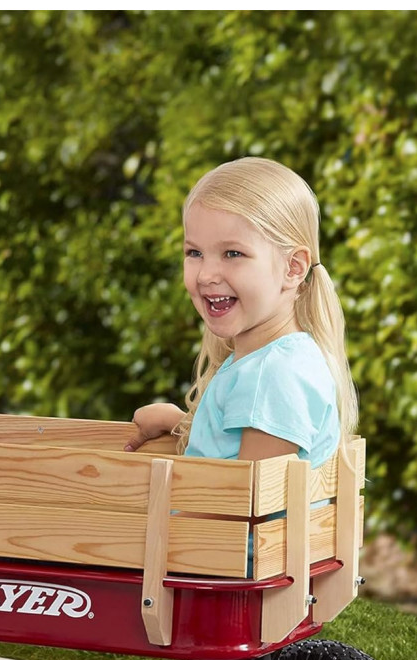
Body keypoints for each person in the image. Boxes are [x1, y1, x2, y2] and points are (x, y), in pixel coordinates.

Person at [124, 157, 357, 468]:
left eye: (233, 253)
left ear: (293, 267)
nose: (206, 275)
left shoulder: (274, 375)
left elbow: (248, 495)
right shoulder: (269, 360)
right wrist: (184, 426)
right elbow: (233, 452)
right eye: (195, 252)